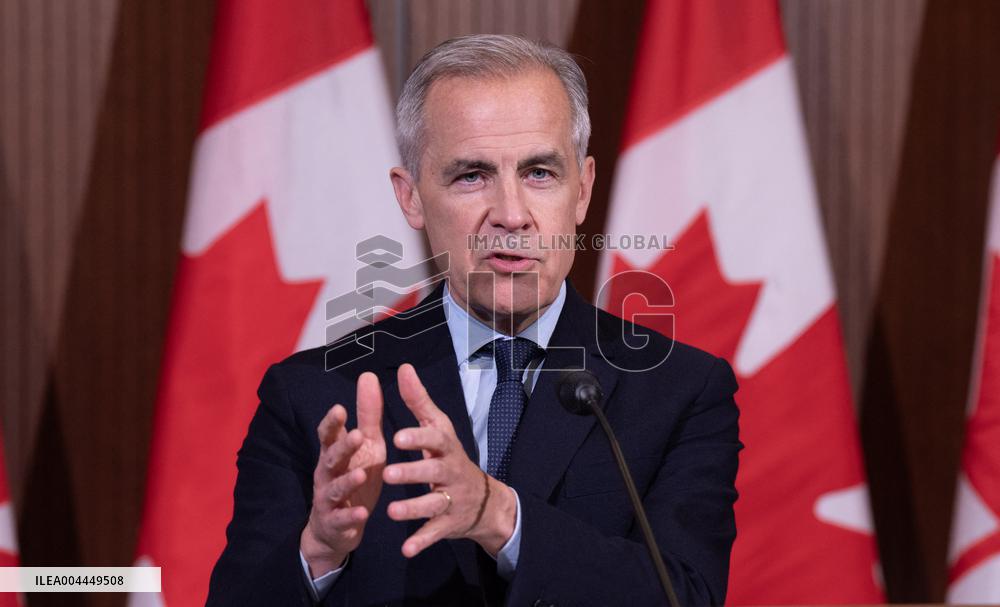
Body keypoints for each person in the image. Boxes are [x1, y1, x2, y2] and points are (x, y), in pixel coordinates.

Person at [206, 34, 740, 606]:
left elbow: (686, 597)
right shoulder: (314, 395)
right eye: (471, 176)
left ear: (581, 190)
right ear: (410, 197)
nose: (511, 215)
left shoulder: (678, 390)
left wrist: (498, 515)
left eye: (539, 172)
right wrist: (319, 550)